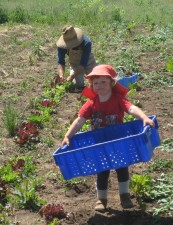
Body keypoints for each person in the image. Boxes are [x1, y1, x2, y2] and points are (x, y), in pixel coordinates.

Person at [61, 64, 155, 212]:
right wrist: (68, 135)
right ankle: (101, 199)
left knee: (122, 169)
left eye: (103, 82)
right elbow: (79, 120)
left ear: (112, 83)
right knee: (102, 171)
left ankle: (124, 196)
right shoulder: (91, 104)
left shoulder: (118, 99)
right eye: (95, 83)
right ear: (91, 86)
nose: (99, 86)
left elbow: (131, 108)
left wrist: (144, 117)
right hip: (100, 144)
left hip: (118, 142)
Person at [56, 25, 98, 90]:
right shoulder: (62, 46)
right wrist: (61, 76)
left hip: (89, 62)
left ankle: (95, 67)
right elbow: (61, 62)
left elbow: (83, 64)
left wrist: (71, 76)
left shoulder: (86, 43)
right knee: (78, 85)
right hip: (75, 63)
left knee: (97, 81)